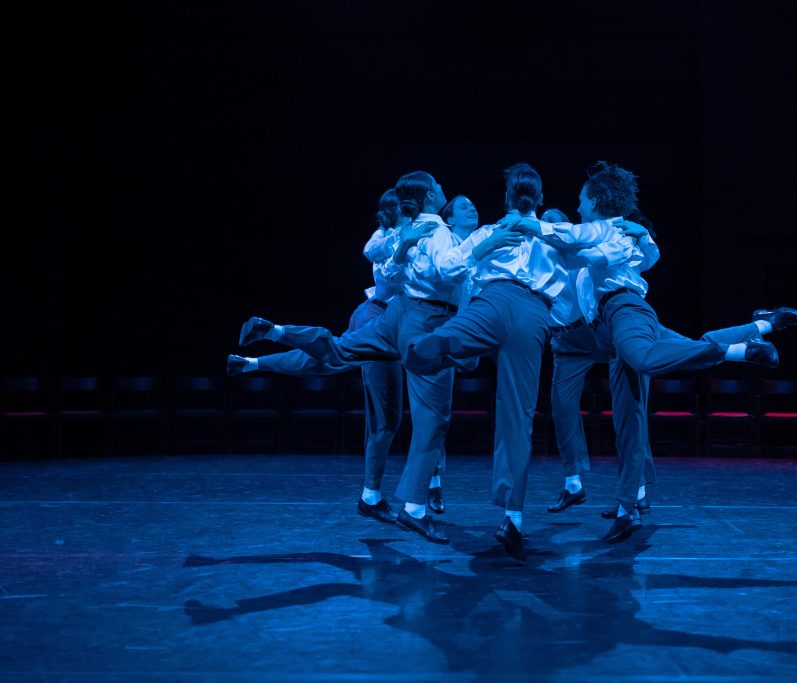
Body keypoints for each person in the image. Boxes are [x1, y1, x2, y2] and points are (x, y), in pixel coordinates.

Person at [498, 161, 797, 544]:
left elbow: (588, 244)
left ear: (595, 201)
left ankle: (739, 351)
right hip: (610, 328)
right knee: (630, 416)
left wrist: (543, 228)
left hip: (625, 311)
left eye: (580, 200)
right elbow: (606, 253)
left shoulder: (605, 229)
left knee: (646, 360)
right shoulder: (601, 236)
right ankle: (762, 325)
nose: (577, 207)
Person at [235, 173, 517, 546]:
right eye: (442, 188)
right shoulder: (436, 232)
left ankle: (277, 332)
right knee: (432, 418)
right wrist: (486, 245)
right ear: (432, 196)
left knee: (338, 350)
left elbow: (382, 262)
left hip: (397, 313)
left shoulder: (411, 228)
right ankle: (415, 508)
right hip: (424, 320)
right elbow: (449, 269)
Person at [402, 163, 634, 562]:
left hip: (501, 305)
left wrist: (479, 248)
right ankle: (513, 518)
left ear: (508, 198)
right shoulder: (533, 235)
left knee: (460, 344)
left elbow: (451, 270)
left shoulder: (508, 232)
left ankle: (433, 347)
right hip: (526, 315)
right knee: (517, 413)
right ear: (537, 199)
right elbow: (595, 257)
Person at [225, 187, 415, 525]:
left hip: (377, 316)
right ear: (400, 208)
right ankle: (371, 496)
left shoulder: (394, 234)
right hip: (382, 320)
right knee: (384, 417)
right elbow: (380, 260)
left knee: (328, 360)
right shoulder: (388, 238)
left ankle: (253, 361)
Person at [541, 207, 658, 522]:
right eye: (545, 221)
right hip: (565, 340)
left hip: (596, 329)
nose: (549, 225)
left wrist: (640, 235)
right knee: (561, 405)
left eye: (556, 221)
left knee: (631, 404)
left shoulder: (583, 248)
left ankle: (639, 488)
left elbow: (632, 258)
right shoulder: (537, 255)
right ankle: (573, 482)